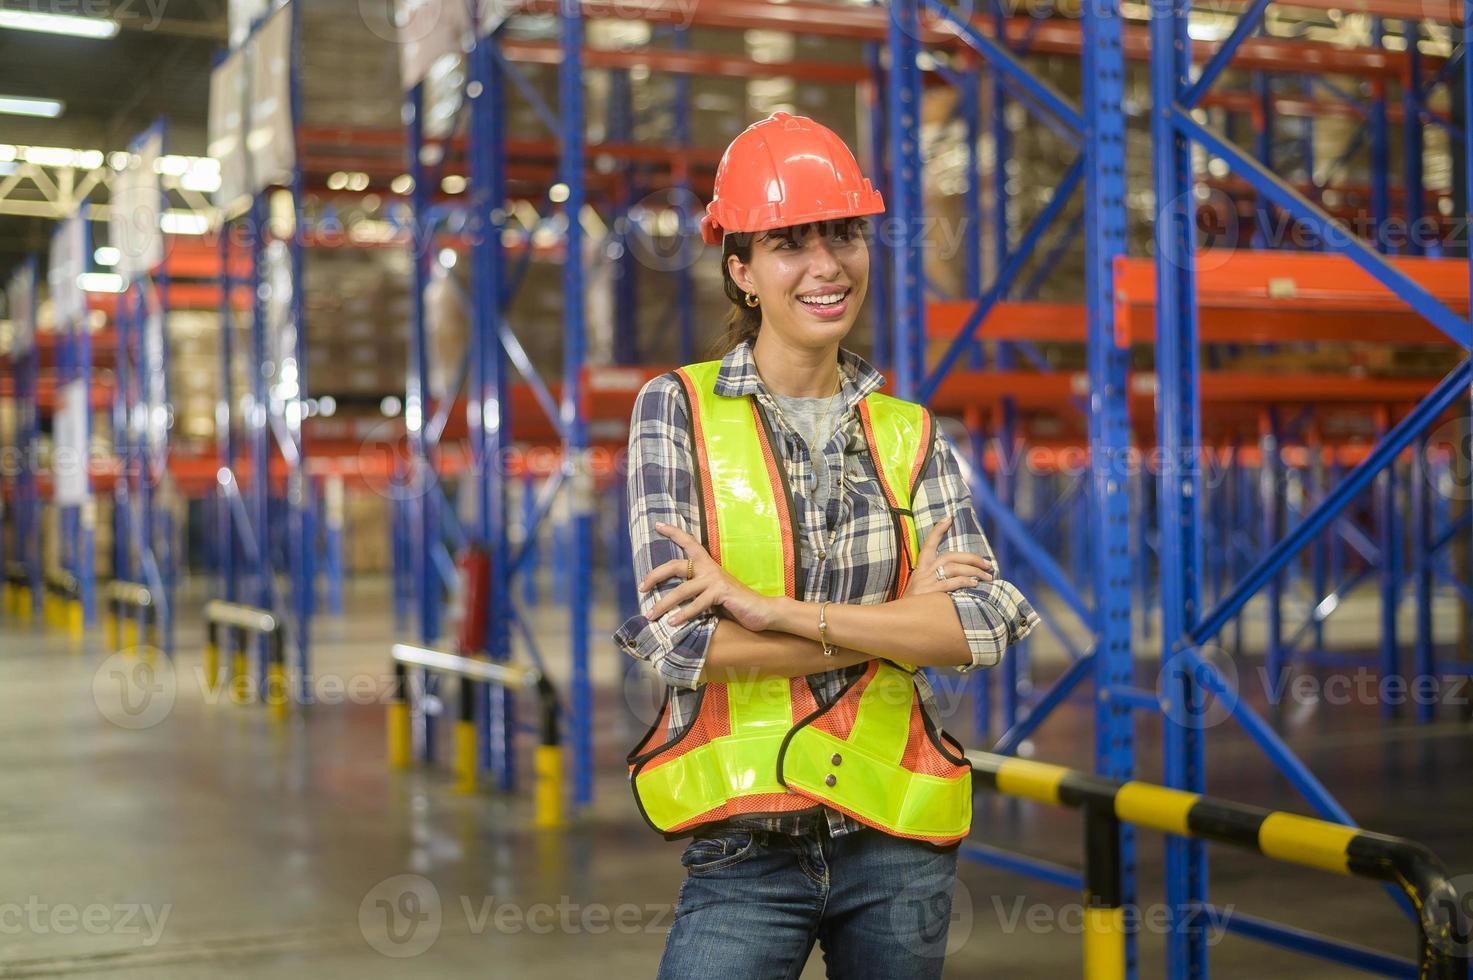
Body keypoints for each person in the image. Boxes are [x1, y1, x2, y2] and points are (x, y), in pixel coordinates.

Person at [613, 112, 1039, 980]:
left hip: (898, 838)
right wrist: (896, 621)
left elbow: (983, 627)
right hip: (744, 849)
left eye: (844, 234)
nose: (826, 266)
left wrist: (772, 611)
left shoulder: (908, 431)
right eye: (787, 245)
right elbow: (680, 643)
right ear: (741, 272)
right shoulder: (677, 410)